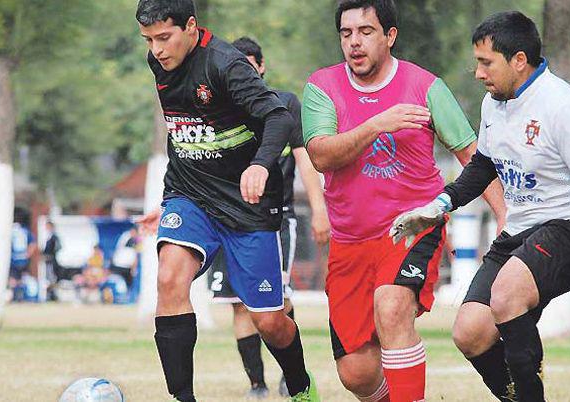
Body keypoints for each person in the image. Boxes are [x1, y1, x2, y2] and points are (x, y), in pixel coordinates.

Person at [390, 11, 570, 402]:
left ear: (519, 60)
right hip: (520, 232)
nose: (478, 73)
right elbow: (483, 167)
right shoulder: (495, 102)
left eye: (485, 62)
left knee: (507, 294)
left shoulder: (565, 109)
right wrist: (439, 204)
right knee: (470, 333)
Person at [302, 1, 505, 401]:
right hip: (350, 241)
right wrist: (377, 123)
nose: (355, 43)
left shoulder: (426, 86)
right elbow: (322, 155)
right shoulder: (321, 87)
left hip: (413, 226)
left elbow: (472, 156)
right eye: (346, 34)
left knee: (392, 306)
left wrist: (505, 216)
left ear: (390, 36)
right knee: (356, 373)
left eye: (366, 32)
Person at [134, 1, 320, 401]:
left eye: (164, 37)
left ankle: (302, 388)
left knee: (269, 321)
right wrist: (169, 197)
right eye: (148, 40)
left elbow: (280, 117)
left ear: (190, 27)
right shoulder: (159, 63)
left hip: (247, 207)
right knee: (169, 279)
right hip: (192, 197)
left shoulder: (226, 65)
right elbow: (182, 128)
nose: (158, 49)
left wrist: (259, 165)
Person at [206, 36, 330, 399]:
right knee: (239, 304)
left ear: (261, 67)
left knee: (276, 303)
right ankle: (257, 385)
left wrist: (319, 211)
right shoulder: (219, 109)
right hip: (227, 219)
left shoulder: (283, 104)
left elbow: (305, 159)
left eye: (249, 65)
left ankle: (293, 373)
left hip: (275, 221)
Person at [9, 221, 37, 302]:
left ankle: (16, 296)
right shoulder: (25, 231)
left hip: (14, 259)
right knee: (22, 279)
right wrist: (28, 254)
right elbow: (33, 243)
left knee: (14, 279)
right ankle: (21, 297)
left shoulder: (11, 232)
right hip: (23, 259)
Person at [42, 221, 62, 301]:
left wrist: (50, 255)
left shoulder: (54, 237)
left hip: (51, 261)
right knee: (48, 279)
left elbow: (58, 247)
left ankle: (53, 295)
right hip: (46, 262)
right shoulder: (46, 237)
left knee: (52, 279)